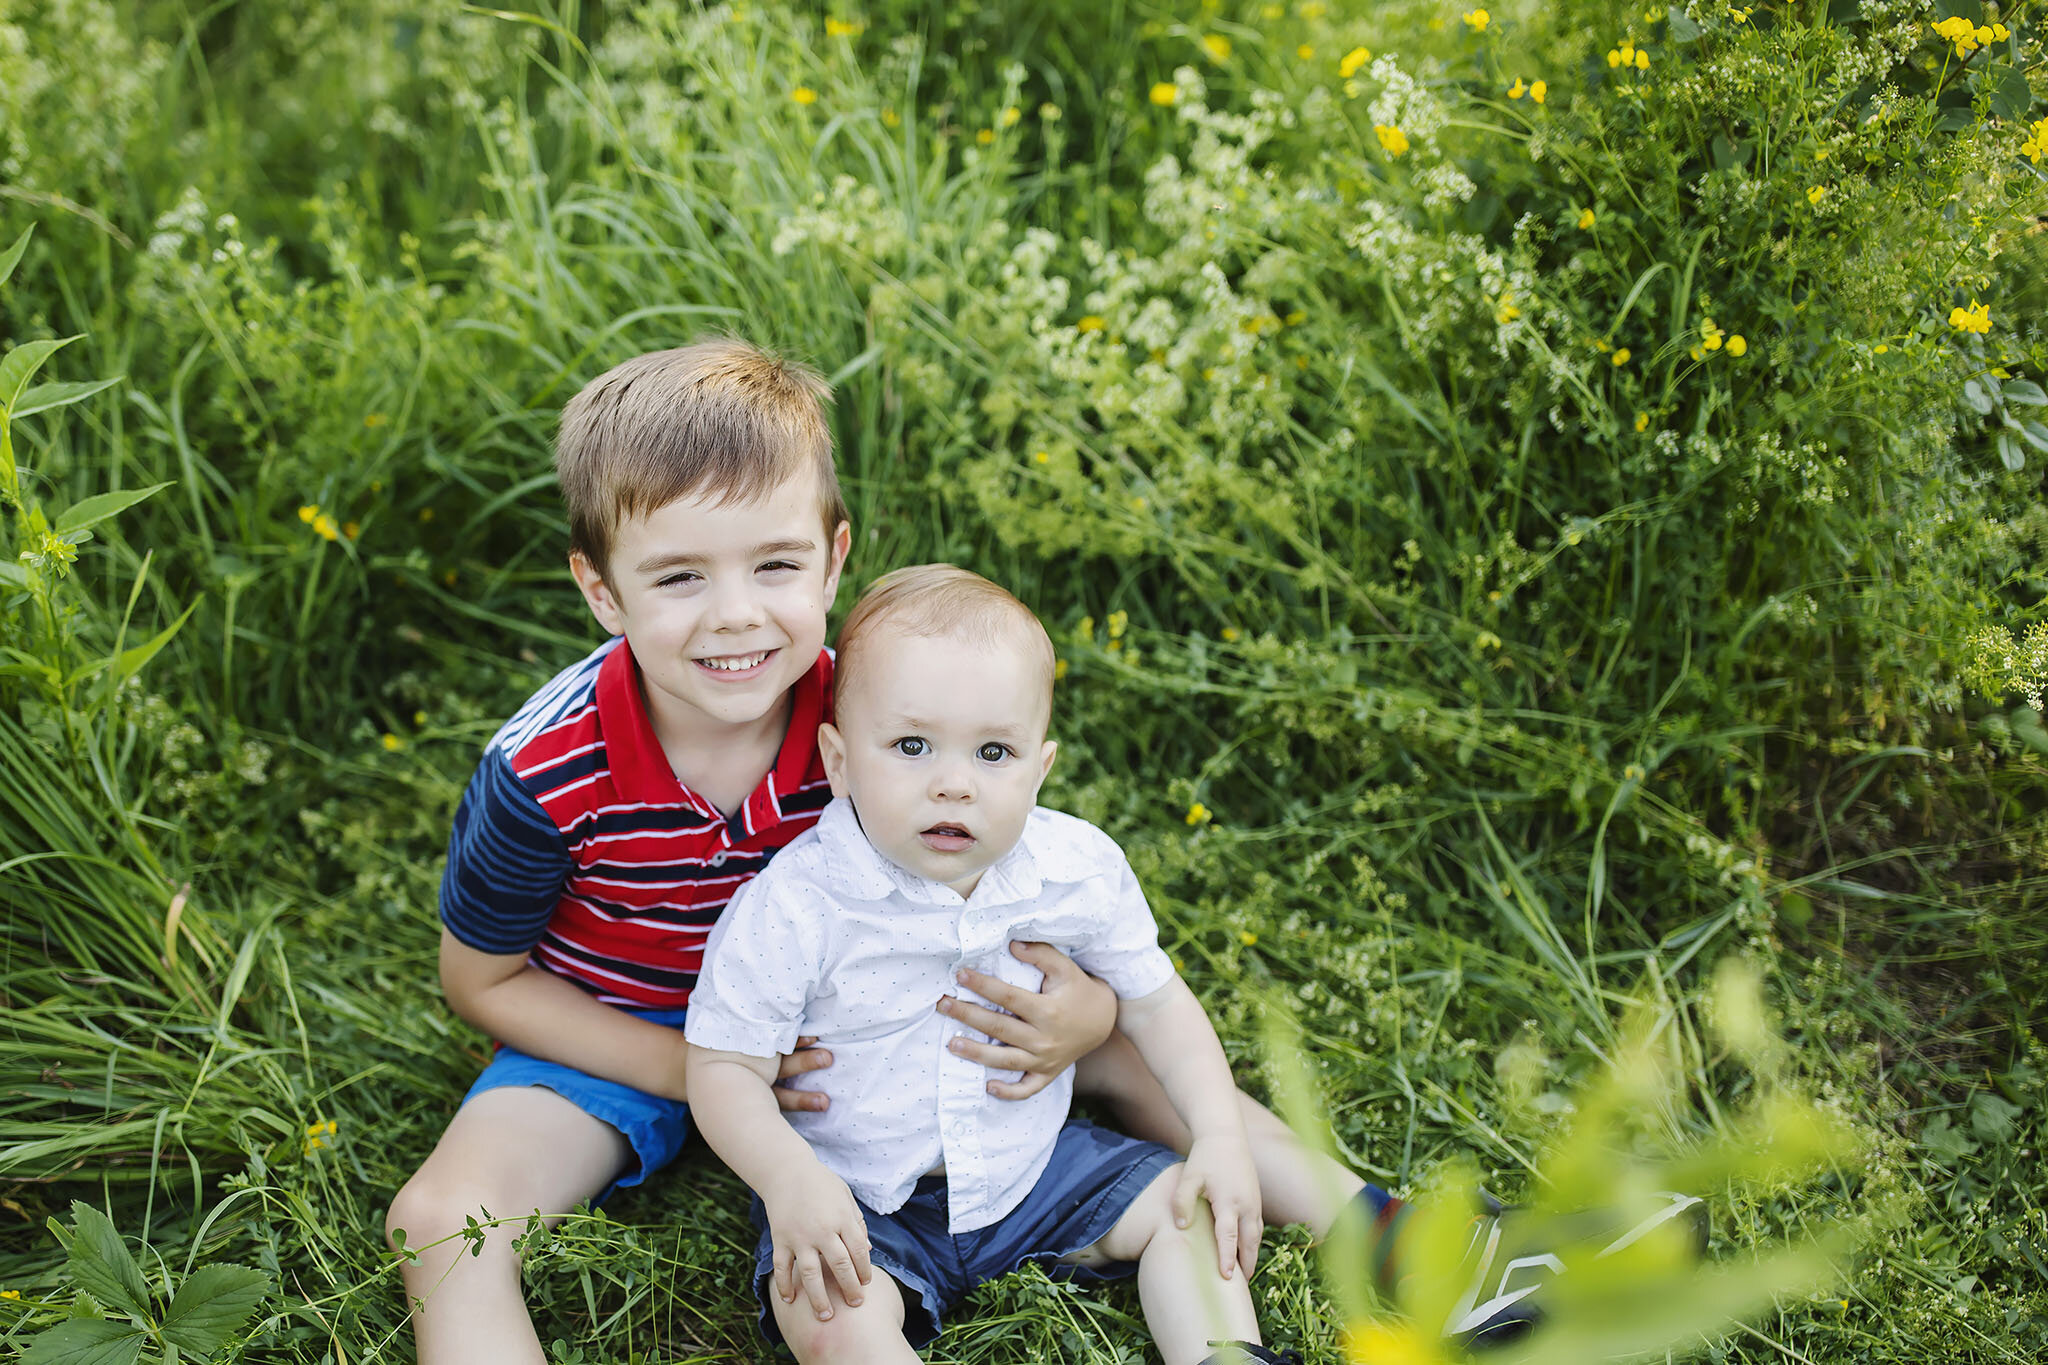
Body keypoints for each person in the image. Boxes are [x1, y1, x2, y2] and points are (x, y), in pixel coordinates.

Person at [686, 564, 1295, 1364]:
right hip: (860, 1196)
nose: (953, 784)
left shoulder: (1073, 868)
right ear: (838, 760)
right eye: (911, 745)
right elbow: (722, 1066)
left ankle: (1223, 1355)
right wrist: (788, 1177)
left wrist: (1218, 1130)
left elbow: (1158, 1003)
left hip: (1034, 1170)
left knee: (1185, 1208)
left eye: (993, 752)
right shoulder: (797, 903)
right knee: (826, 1305)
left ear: (1040, 770)